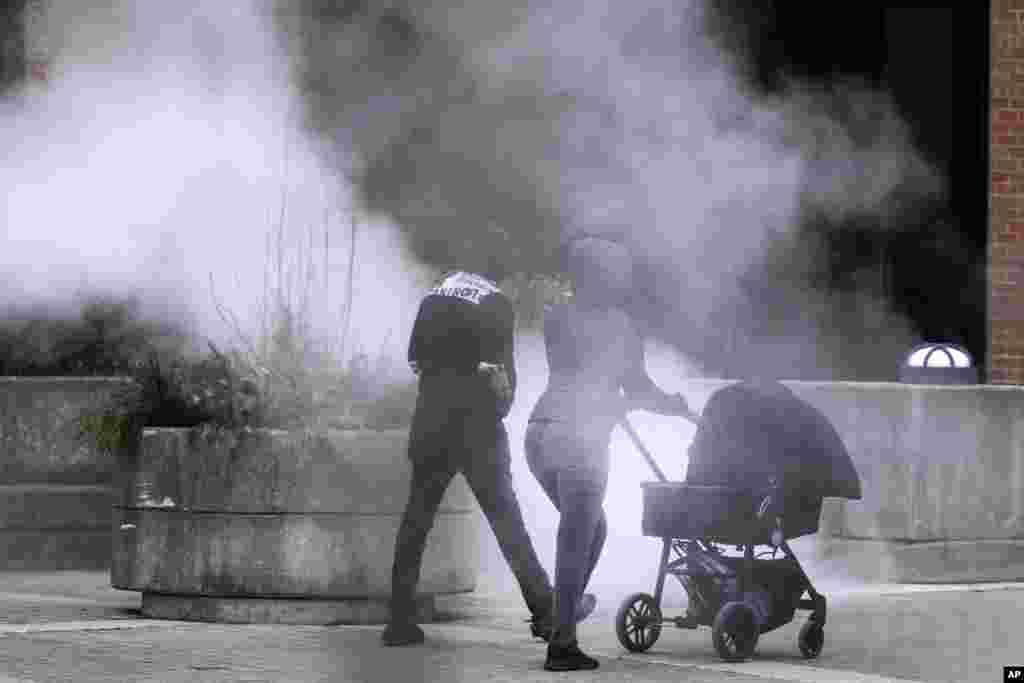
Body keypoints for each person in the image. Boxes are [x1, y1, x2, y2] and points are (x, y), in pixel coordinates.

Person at [382, 255, 594, 646]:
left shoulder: (433, 295)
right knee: (507, 523)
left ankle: (398, 621)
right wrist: (498, 408)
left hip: (429, 425)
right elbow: (503, 377)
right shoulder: (495, 302)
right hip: (477, 429)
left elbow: (415, 359)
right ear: (505, 274)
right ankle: (546, 612)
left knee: (416, 522)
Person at [525, 232, 691, 671]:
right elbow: (635, 388)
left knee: (591, 530)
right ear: (604, 278)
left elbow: (582, 370)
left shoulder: (557, 316)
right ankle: (562, 643)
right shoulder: (619, 325)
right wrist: (671, 405)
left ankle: (567, 608)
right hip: (580, 442)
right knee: (576, 539)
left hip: (540, 437)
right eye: (618, 275)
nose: (625, 282)